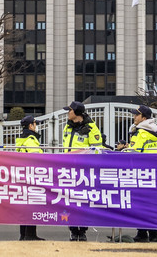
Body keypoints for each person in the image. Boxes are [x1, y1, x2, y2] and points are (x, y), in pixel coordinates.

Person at [115, 105, 157, 243]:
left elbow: (133, 153)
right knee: (151, 203)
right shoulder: (154, 131)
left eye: (137, 115)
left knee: (140, 203)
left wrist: (121, 153)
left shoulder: (141, 133)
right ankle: (151, 234)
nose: (134, 117)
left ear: (144, 118)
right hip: (153, 170)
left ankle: (145, 233)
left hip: (141, 171)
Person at [62, 101, 102, 241]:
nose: (68, 112)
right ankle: (73, 230)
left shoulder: (91, 128)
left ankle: (83, 231)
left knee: (83, 200)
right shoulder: (67, 126)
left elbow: (98, 150)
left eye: (70, 110)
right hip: (68, 169)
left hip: (84, 170)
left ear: (76, 113)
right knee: (70, 200)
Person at [16, 116, 45, 241]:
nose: (36, 125)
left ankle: (24, 235)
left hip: (22, 176)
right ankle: (30, 235)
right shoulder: (30, 139)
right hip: (31, 176)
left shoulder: (21, 139)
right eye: (35, 123)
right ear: (30, 126)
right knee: (32, 205)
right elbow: (37, 158)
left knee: (24, 206)